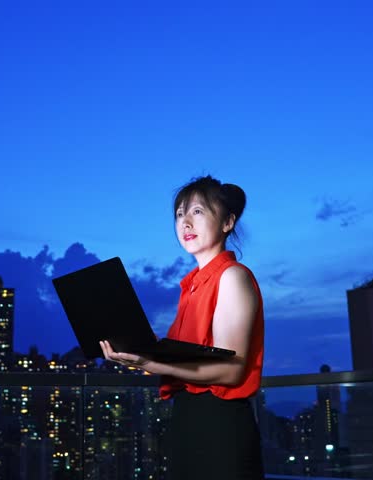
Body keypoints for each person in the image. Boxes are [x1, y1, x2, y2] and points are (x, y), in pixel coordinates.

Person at [100, 175, 265, 479]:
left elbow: (231, 371)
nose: (185, 222)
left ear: (228, 222)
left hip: (221, 424)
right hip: (187, 417)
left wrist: (152, 362)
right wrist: (136, 350)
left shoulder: (232, 277)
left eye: (197, 212)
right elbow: (183, 357)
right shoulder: (191, 287)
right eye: (179, 214)